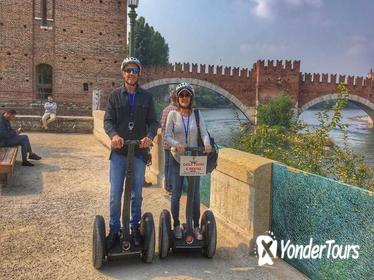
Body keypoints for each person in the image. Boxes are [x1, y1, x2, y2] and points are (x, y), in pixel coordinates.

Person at [104, 57, 158, 249]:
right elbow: (108, 121)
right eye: (128, 70)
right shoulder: (114, 96)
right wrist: (114, 135)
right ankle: (114, 229)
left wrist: (150, 136)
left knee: (137, 193)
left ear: (138, 74)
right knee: (115, 193)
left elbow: (153, 122)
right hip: (119, 152)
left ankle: (135, 228)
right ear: (123, 73)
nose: (131, 73)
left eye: (134, 70)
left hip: (139, 152)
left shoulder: (147, 97)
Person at [165, 82, 212, 242]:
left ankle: (196, 225)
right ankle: (177, 224)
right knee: (176, 194)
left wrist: (206, 144)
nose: (184, 98)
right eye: (181, 95)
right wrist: (176, 145)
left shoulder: (197, 115)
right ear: (177, 98)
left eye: (187, 95)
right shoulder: (173, 115)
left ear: (191, 97)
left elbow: (204, 133)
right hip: (177, 159)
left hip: (194, 159)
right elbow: (167, 135)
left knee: (195, 195)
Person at [160, 89, 177, 194]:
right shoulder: (176, 111)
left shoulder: (165, 109)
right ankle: (171, 187)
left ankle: (167, 185)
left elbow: (162, 125)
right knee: (172, 166)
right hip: (174, 144)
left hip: (165, 142)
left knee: (167, 165)